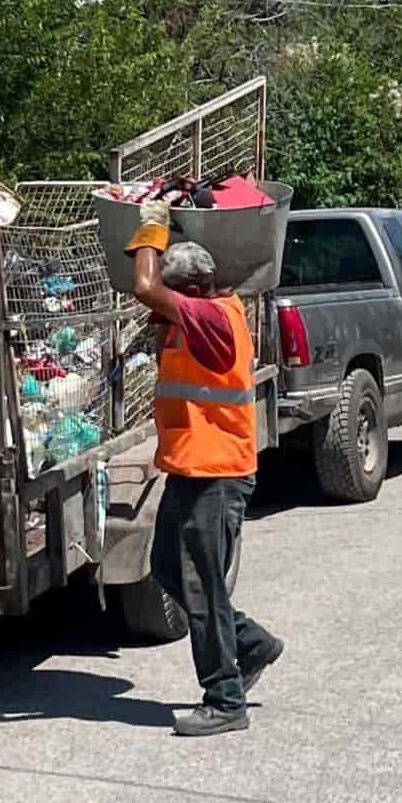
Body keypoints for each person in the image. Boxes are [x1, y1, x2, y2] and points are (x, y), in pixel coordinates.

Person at [126, 203, 283, 736]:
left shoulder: (212, 318)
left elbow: (147, 286)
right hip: (193, 468)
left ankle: (224, 697)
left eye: (175, 296)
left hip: (216, 472)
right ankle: (252, 643)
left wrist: (150, 224)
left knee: (200, 585)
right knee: (171, 569)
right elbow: (153, 299)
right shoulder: (202, 311)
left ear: (192, 289)